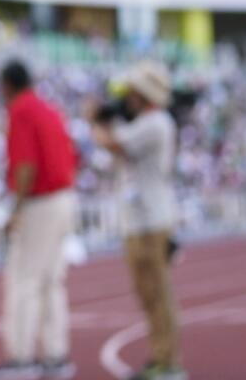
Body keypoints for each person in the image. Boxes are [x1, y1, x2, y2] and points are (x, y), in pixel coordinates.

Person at [91, 60, 184, 380]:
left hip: (151, 223)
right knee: (148, 293)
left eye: (132, 91)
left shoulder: (155, 123)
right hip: (141, 220)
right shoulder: (148, 122)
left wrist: (95, 122)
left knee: (158, 292)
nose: (127, 96)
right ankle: (161, 357)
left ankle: (168, 361)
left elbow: (114, 142)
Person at [0, 60, 77, 380]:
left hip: (40, 200)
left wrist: (16, 210)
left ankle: (20, 358)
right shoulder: (48, 109)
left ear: (7, 85)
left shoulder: (21, 110)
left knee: (23, 278)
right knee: (52, 279)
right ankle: (55, 355)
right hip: (64, 196)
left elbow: (25, 164)